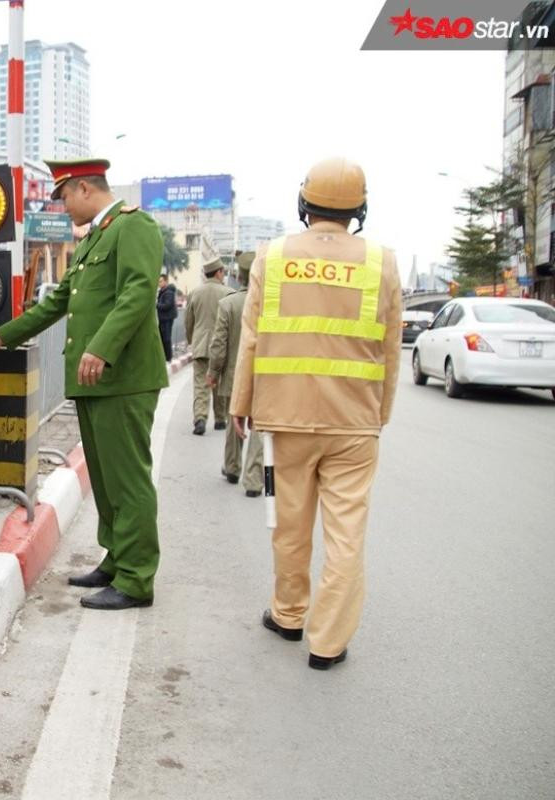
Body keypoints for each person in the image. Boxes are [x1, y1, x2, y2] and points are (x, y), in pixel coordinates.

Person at [230, 157, 402, 670]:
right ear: (360, 208)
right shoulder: (382, 262)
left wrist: (242, 405)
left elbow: (252, 337)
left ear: (305, 202)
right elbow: (391, 348)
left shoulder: (274, 255)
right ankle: (327, 644)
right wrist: (380, 413)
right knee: (347, 533)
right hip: (354, 423)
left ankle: (288, 615)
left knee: (290, 522)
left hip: (286, 418)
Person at [0, 158, 167, 611]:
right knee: (105, 479)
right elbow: (59, 302)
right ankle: (117, 558)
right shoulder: (91, 242)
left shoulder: (133, 227)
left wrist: (101, 347)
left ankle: (137, 578)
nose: (63, 208)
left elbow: (139, 291)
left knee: (128, 480)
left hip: (123, 377)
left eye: (64, 198)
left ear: (84, 188)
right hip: (95, 382)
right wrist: (3, 335)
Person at [207, 251, 262, 497]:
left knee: (233, 422)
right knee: (259, 427)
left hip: (234, 376)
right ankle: (253, 480)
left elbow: (218, 344)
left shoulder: (228, 304)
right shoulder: (271, 305)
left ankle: (232, 467)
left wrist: (213, 372)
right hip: (263, 377)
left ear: (238, 276)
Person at [184, 257, 233, 435]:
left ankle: (200, 419)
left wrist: (192, 341)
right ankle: (220, 419)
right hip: (221, 347)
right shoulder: (228, 293)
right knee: (220, 383)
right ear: (219, 272)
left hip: (200, 345)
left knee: (200, 384)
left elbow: (188, 322)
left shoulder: (195, 293)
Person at [157, 273, 178, 362]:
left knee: (166, 338)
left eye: (161, 281)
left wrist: (157, 304)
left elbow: (167, 305)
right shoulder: (163, 291)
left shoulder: (168, 292)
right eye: (158, 282)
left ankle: (168, 357)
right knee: (162, 337)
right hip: (163, 318)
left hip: (167, 318)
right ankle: (164, 356)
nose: (159, 283)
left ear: (166, 281)